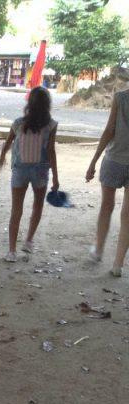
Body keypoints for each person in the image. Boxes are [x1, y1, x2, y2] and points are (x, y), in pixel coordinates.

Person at [0, 86, 59, 262]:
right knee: (37, 206)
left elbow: (8, 143)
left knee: (16, 210)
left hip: (20, 170)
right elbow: (51, 151)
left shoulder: (18, 123)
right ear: (47, 105)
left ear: (29, 103)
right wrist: (55, 177)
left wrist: (2, 157)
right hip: (40, 171)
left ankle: (11, 251)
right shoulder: (51, 125)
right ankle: (29, 240)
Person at [85, 88, 129, 277]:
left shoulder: (120, 97)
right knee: (127, 215)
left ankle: (98, 249)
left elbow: (110, 129)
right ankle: (118, 264)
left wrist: (94, 160)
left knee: (106, 206)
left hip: (114, 159)